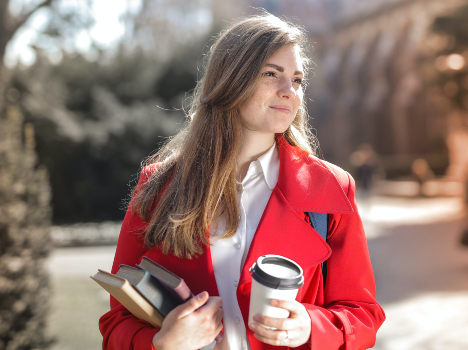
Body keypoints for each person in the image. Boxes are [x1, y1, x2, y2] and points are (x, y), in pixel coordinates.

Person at [99, 14, 385, 350]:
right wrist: (161, 342)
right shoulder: (159, 185)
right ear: (230, 81)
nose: (289, 91)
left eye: (297, 79)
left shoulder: (331, 188)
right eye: (270, 74)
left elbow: (363, 315)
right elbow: (117, 322)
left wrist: (311, 325)